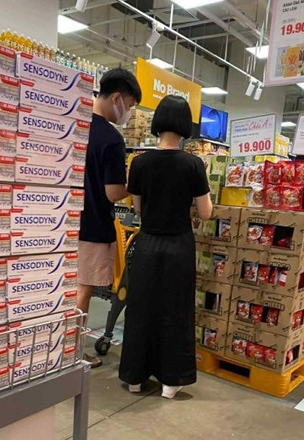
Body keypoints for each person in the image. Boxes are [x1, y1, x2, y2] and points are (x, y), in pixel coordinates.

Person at [119, 95, 213, 399]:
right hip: (178, 246)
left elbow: (137, 208)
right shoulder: (193, 164)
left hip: (147, 243)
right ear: (185, 124)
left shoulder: (139, 162)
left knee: (141, 309)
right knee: (175, 311)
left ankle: (134, 377)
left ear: (158, 121)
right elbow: (206, 213)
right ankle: (171, 382)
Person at [78, 68, 142, 368]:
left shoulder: (74, 124)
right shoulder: (111, 139)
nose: (128, 113)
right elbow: (113, 192)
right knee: (83, 290)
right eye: (129, 105)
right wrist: (135, 184)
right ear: (117, 98)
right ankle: (71, 352)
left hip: (62, 221)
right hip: (92, 224)